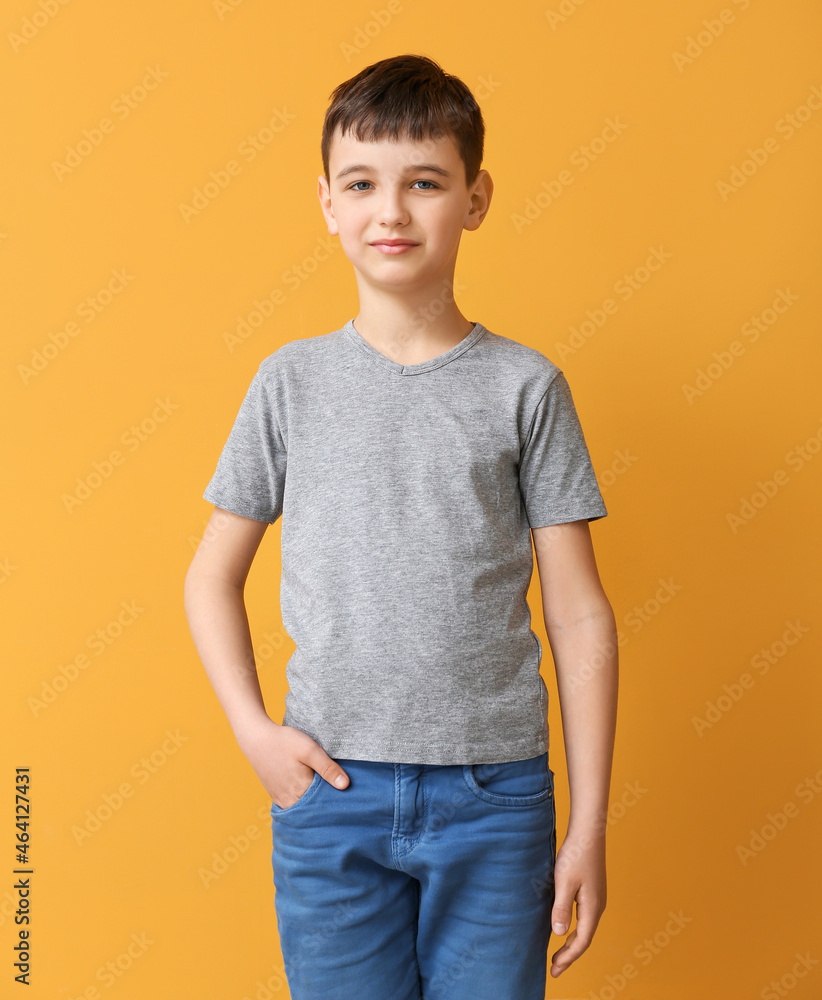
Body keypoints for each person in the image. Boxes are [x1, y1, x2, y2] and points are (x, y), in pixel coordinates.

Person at [184, 52, 618, 1000]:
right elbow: (209, 578)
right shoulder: (289, 384)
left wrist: (586, 827)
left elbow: (579, 615)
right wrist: (255, 732)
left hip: (495, 801)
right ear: (328, 205)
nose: (392, 211)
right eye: (363, 184)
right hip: (330, 795)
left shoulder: (526, 387)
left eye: (424, 182)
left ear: (475, 196)